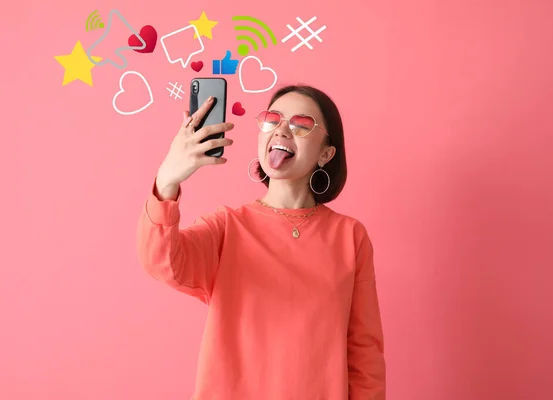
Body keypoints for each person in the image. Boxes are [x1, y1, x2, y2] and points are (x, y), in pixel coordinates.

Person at [136, 85, 386, 399]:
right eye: (272, 119)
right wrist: (167, 180)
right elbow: (162, 261)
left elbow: (364, 352)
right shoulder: (227, 227)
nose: (281, 129)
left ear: (326, 153)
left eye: (301, 124)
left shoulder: (350, 236)